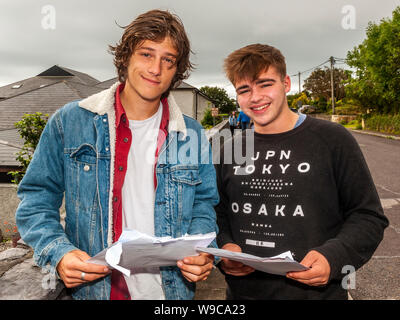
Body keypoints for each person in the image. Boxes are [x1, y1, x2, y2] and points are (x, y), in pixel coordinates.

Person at [15, 9, 219, 300]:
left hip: (170, 294)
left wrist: (200, 252)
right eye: (147, 54)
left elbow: (203, 204)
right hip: (97, 291)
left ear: (177, 70)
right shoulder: (70, 121)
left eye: (168, 60)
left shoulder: (192, 133)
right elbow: (36, 199)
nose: (156, 69)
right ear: (126, 57)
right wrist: (59, 252)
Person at [214, 43, 388, 299]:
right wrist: (224, 248)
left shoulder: (333, 139)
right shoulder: (229, 149)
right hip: (242, 295)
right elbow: (216, 213)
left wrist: (334, 257)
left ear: (286, 83)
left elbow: (368, 215)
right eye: (244, 89)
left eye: (265, 84)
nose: (255, 97)